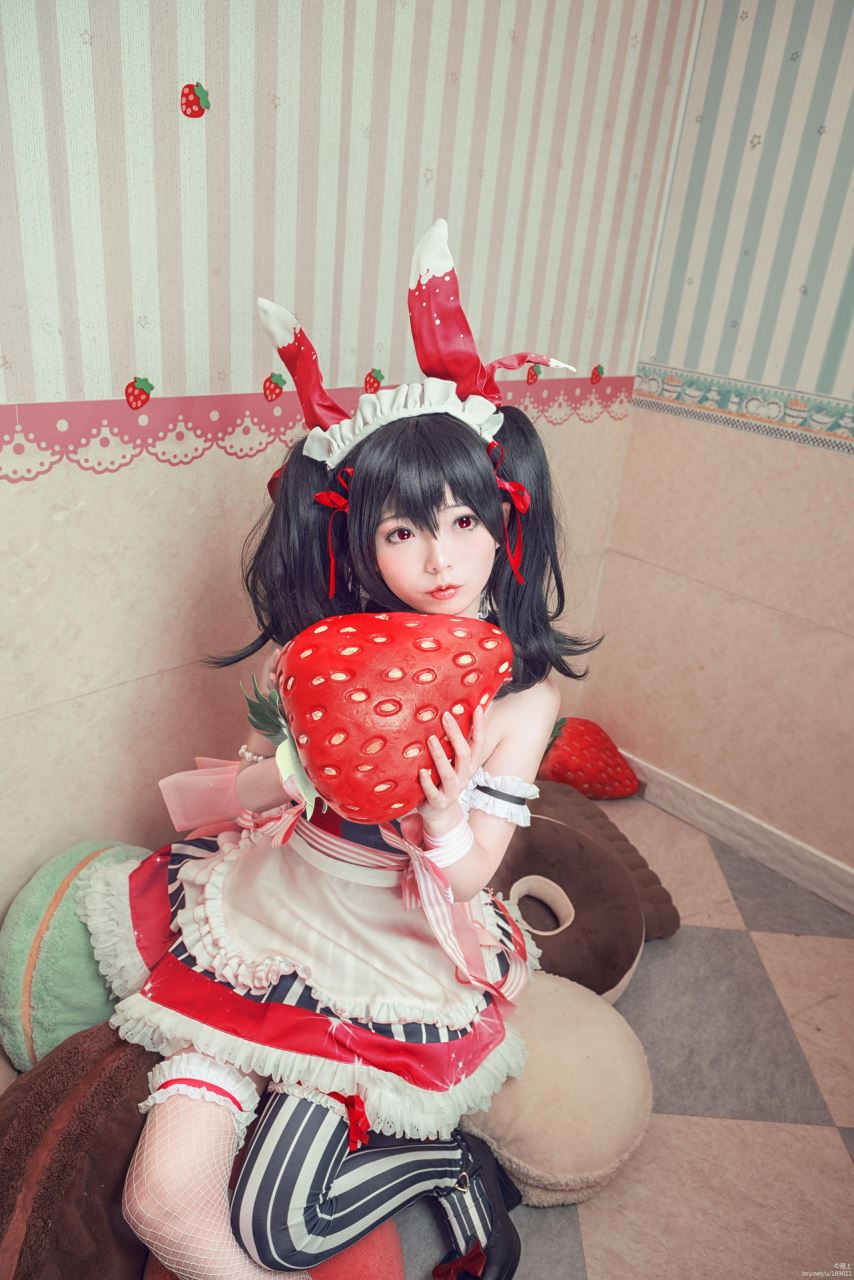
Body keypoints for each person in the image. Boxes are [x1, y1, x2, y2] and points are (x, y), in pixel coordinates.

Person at [78, 221, 603, 1280]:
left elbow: (470, 874)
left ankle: (448, 1170)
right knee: (160, 1203)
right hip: (270, 911)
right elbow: (233, 793)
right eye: (403, 531)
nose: (441, 557)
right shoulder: (322, 655)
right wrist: (291, 770)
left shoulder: (523, 700)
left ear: (505, 521)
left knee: (281, 1226)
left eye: (464, 520)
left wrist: (443, 816)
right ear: (360, 539)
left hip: (389, 943)